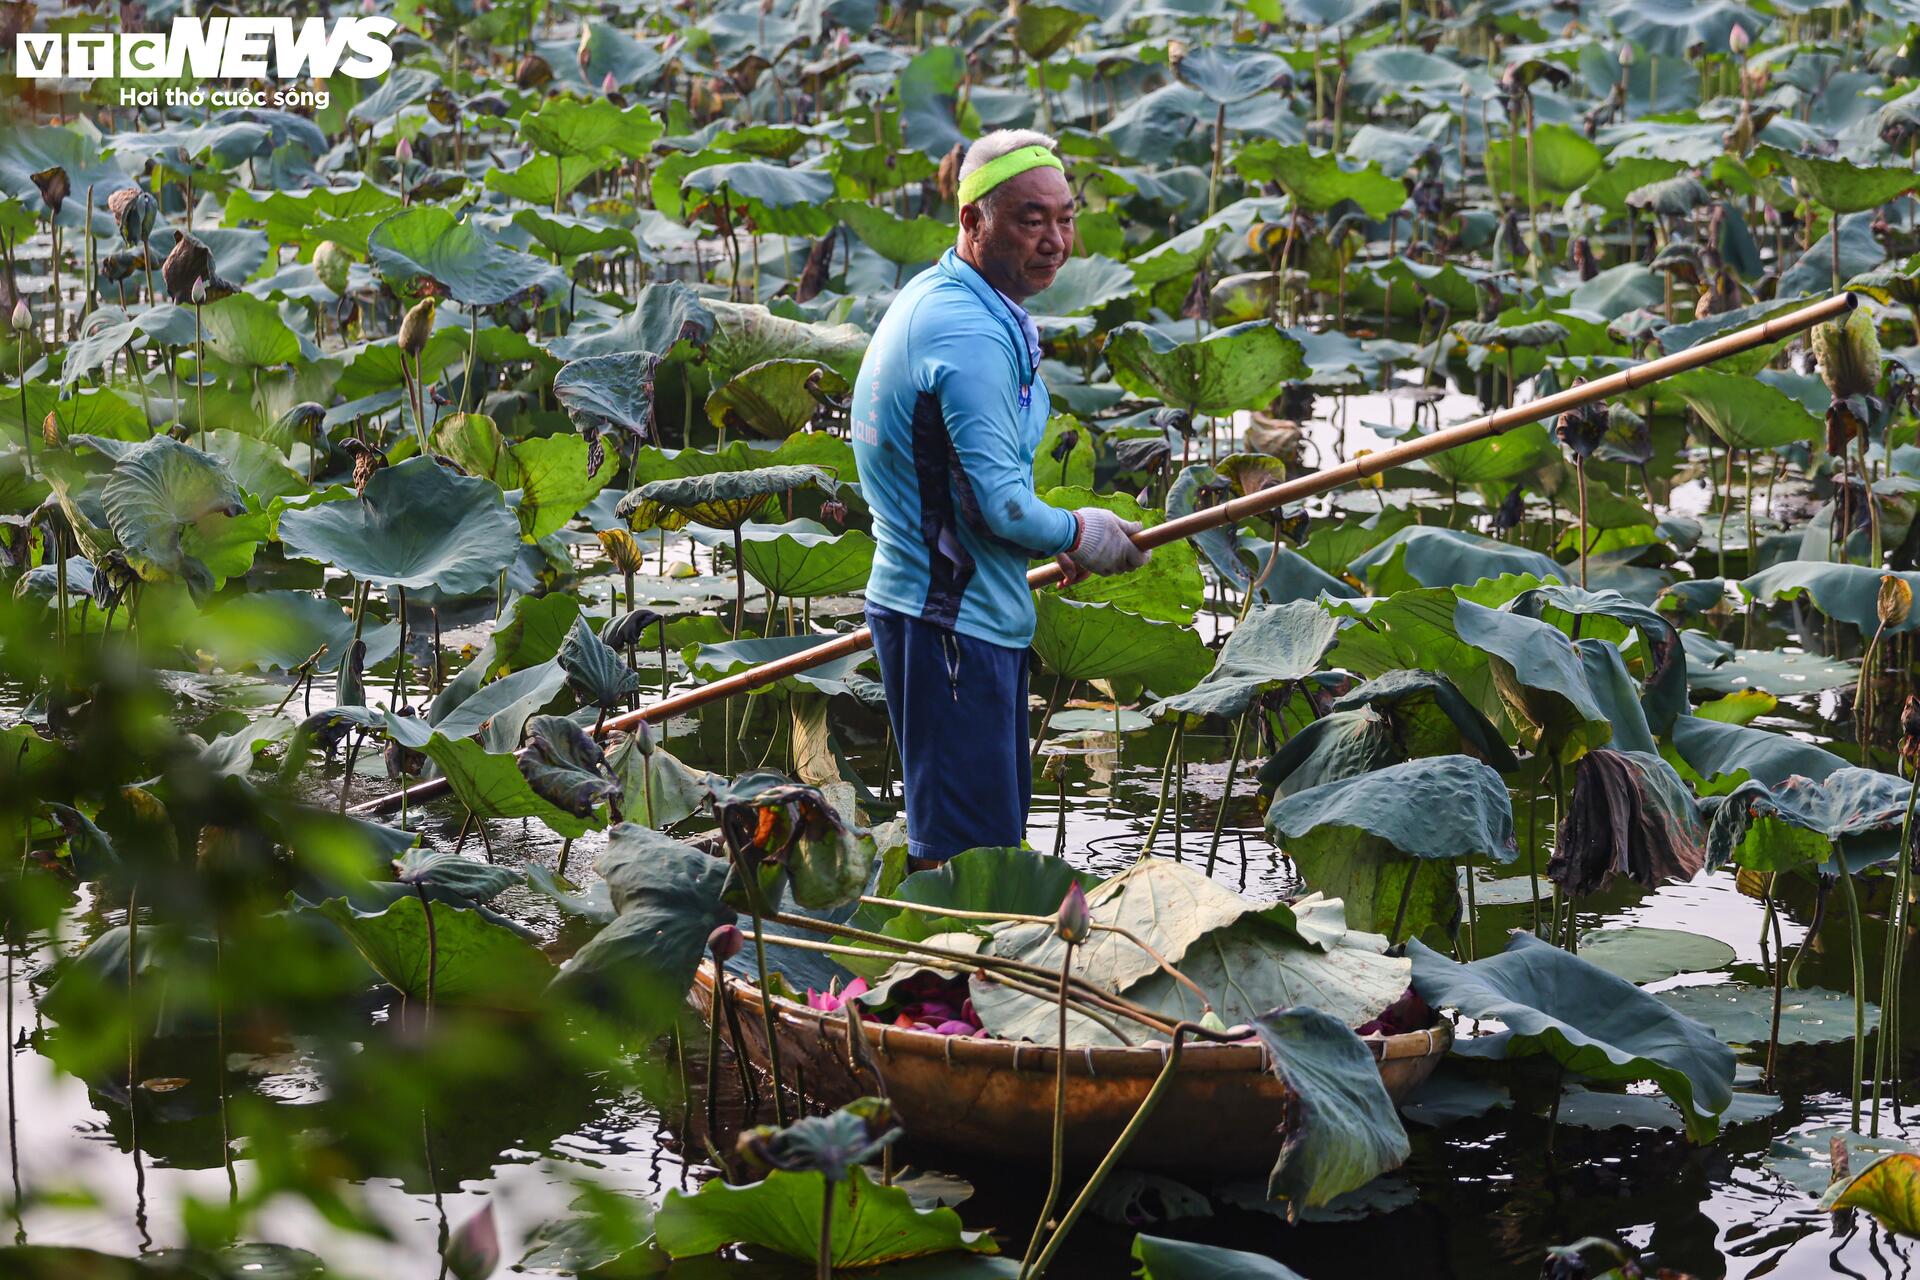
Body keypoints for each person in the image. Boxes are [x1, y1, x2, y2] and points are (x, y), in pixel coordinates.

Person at [851, 129, 1151, 871]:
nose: (1055, 241)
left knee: (985, 845)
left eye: (1065, 217)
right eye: (1029, 219)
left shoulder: (955, 296)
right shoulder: (966, 331)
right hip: (951, 625)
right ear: (972, 223)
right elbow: (1002, 510)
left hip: (955, 610)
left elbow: (969, 491)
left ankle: (958, 977)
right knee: (969, 863)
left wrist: (1046, 544)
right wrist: (1081, 531)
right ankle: (946, 983)